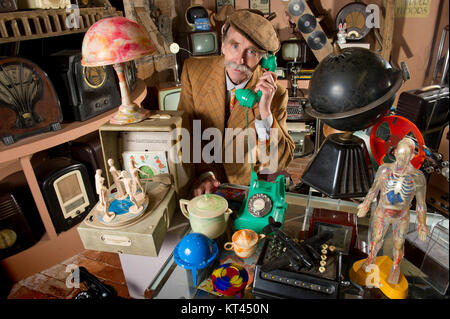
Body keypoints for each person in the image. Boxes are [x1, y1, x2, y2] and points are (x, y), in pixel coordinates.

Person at [178, 9, 294, 196]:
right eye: (234, 46)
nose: (240, 60)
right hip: (201, 184)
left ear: (264, 59)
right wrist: (205, 173)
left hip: (244, 191)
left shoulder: (276, 94)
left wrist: (265, 110)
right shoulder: (193, 71)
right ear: (223, 45)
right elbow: (187, 133)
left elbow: (278, 161)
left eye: (251, 52)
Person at [357, 137, 429, 284]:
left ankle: (395, 267)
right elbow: (374, 189)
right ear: (395, 153)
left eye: (405, 156)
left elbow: (421, 203)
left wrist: (422, 224)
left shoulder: (418, 177)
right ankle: (370, 258)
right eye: (400, 155)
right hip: (382, 212)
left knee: (398, 243)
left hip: (401, 216)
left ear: (412, 156)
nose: (402, 159)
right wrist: (365, 205)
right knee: (376, 239)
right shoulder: (384, 169)